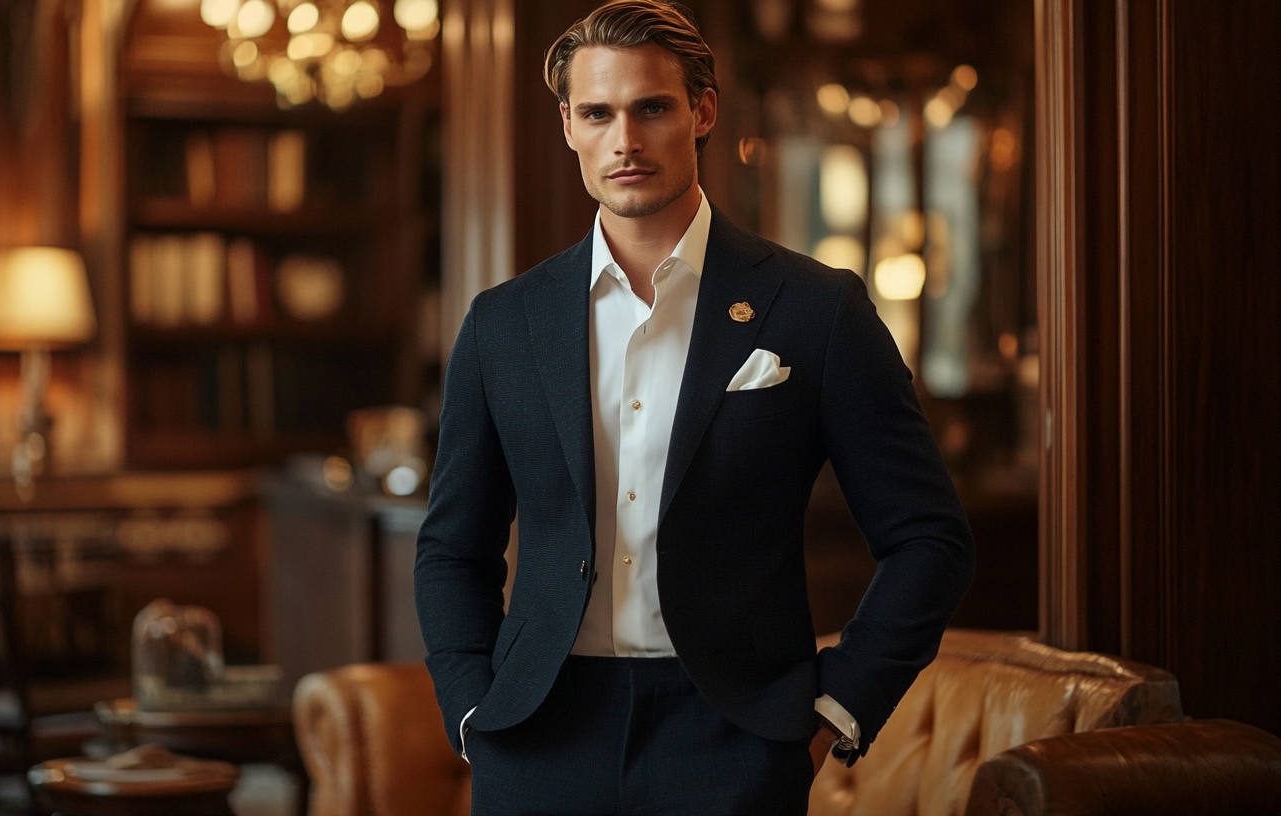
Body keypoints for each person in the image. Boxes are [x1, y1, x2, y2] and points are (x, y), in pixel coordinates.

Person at [414, 2, 976, 813]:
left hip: (734, 739)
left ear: (702, 111)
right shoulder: (503, 322)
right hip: (538, 733)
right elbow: (452, 548)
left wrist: (835, 710)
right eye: (598, 114)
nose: (625, 140)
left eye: (652, 108)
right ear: (568, 125)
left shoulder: (817, 311)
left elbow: (929, 538)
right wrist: (473, 710)